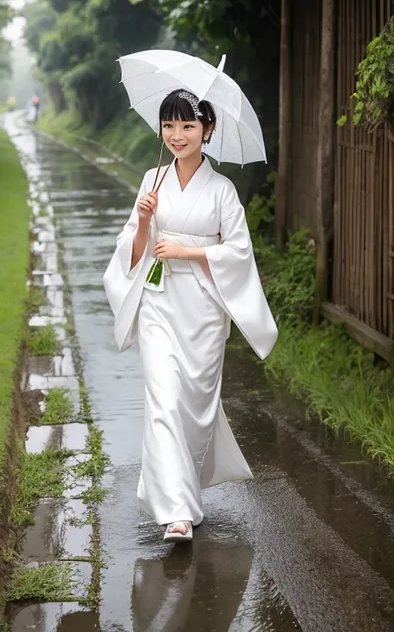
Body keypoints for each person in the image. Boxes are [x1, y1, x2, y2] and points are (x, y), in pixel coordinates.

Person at [103, 89, 278, 543]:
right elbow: (133, 253)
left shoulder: (222, 190)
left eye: (187, 126)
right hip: (159, 301)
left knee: (193, 406)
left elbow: (239, 251)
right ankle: (176, 512)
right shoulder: (151, 180)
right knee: (163, 397)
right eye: (169, 126)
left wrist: (189, 250)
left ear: (207, 131)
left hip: (202, 308)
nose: (176, 135)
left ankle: (183, 493)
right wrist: (143, 220)